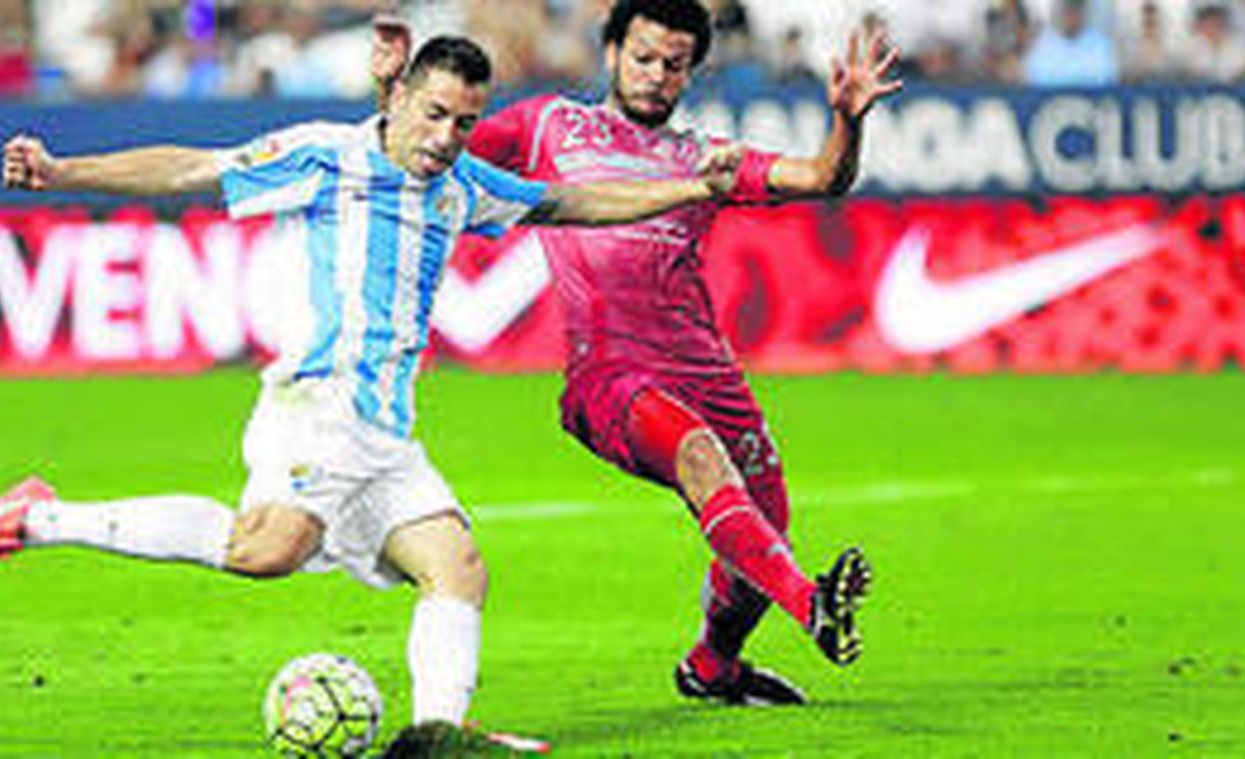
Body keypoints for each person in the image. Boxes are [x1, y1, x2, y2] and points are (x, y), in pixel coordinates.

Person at [0, 35, 749, 733]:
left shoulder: (463, 185)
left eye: (465, 123)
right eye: (435, 114)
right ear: (399, 98)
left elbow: (569, 201)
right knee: (265, 548)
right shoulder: (326, 156)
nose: (446, 138)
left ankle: (438, 736)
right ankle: (34, 518)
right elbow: (191, 170)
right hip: (318, 404)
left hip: (384, 429)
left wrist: (692, 187)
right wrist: (63, 170)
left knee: (456, 566)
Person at [371, 0, 898, 706]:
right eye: (643, 57)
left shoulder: (704, 158)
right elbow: (427, 150)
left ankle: (713, 667)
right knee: (701, 458)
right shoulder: (549, 125)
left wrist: (848, 119)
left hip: (708, 375)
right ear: (613, 52)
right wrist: (391, 92)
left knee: (763, 530)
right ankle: (813, 604)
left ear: (690, 73)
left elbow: (823, 178)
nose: (655, 75)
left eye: (673, 65)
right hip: (610, 377)